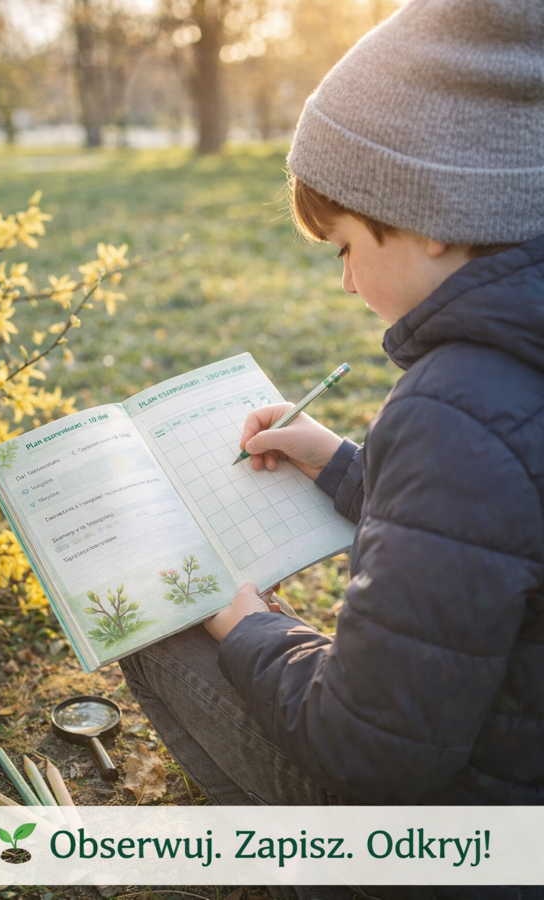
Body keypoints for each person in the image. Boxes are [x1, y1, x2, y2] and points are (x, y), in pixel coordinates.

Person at [121, 0, 544, 897]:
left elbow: (373, 748)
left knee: (160, 628)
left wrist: (247, 624)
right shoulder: (511, 373)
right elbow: (496, 524)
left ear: (435, 213)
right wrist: (336, 461)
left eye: (346, 244)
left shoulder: (457, 401)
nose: (348, 278)